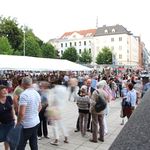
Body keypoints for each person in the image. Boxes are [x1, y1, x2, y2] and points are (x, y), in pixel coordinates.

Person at [17, 76, 41, 150]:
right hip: (36, 121)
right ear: (31, 83)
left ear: (23, 84)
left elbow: (21, 113)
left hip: (27, 125)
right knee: (33, 143)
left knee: (20, 145)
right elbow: (40, 107)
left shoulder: (24, 94)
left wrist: (18, 123)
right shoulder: (36, 93)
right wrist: (34, 114)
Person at [0, 85, 15, 150]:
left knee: (9, 139)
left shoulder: (9, 98)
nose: (5, 91)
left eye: (6, 90)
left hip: (10, 122)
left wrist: (13, 117)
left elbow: (12, 108)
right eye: (3, 91)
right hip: (1, 124)